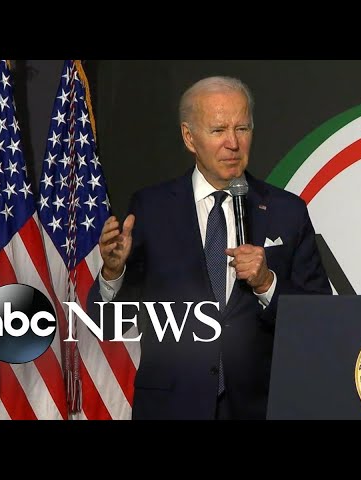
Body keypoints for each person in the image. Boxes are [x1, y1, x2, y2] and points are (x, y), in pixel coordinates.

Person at [88, 76, 331, 420]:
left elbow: (320, 319)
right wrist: (113, 273)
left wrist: (267, 283)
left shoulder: (286, 211)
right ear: (189, 137)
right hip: (172, 409)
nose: (233, 143)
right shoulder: (152, 208)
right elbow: (108, 324)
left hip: (259, 409)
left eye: (242, 128)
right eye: (218, 130)